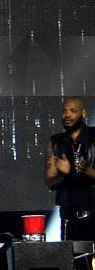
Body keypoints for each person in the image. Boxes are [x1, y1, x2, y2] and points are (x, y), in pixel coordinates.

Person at [45, 97, 95, 240]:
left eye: (72, 111)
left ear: (83, 113)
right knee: (71, 258)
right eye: (64, 111)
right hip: (69, 218)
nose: (67, 115)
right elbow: (49, 181)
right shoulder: (56, 142)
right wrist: (63, 174)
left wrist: (87, 171)